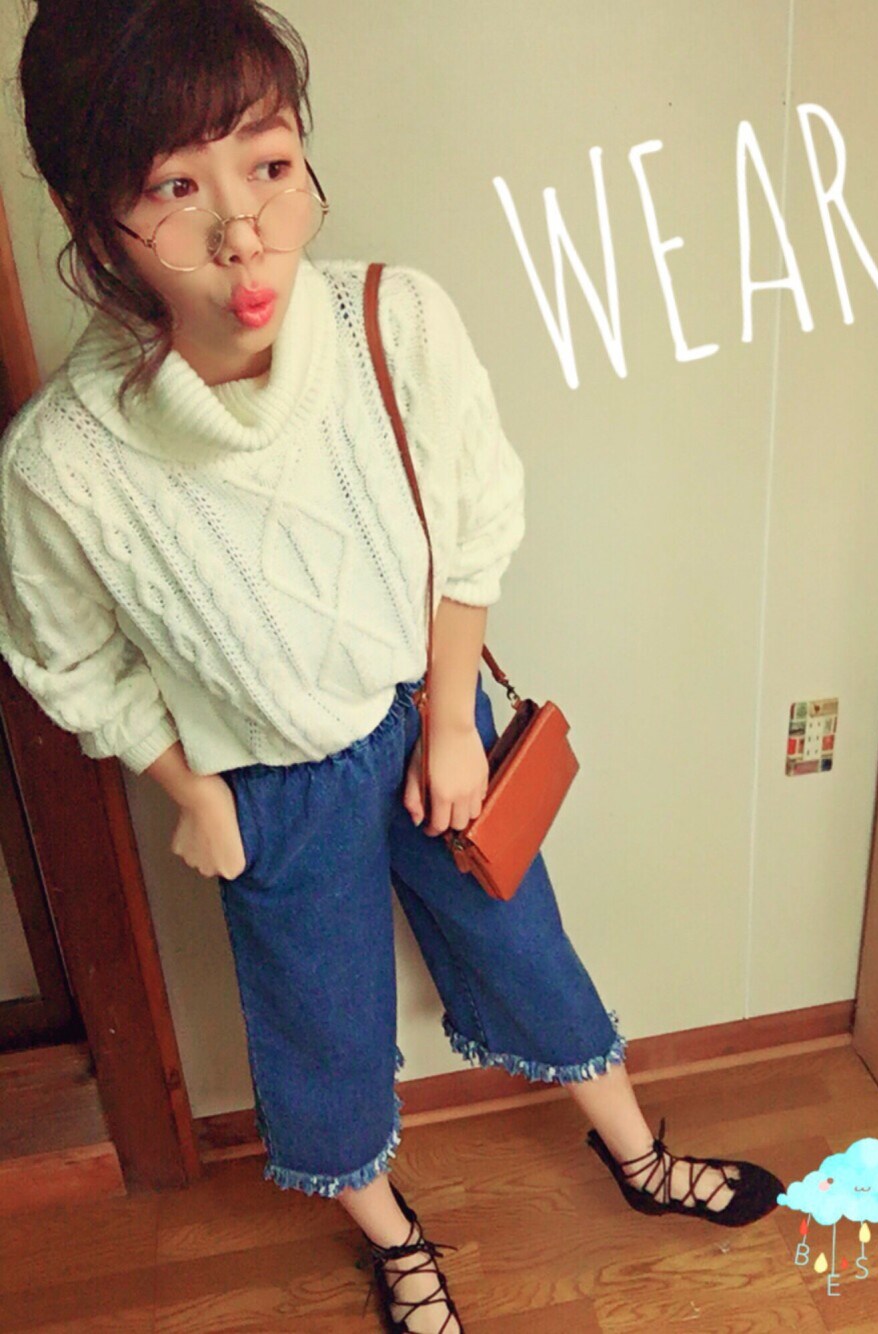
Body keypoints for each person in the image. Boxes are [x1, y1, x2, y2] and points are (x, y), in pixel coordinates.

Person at [0, 3, 784, 1331]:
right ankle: (400, 1240)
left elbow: (473, 519)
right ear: (92, 213)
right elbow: (68, 660)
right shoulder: (65, 461)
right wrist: (192, 793)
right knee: (323, 1030)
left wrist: (454, 719)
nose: (242, 231)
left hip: (429, 717)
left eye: (269, 164)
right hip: (269, 788)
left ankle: (640, 1156)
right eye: (175, 187)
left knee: (527, 947)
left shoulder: (391, 319)